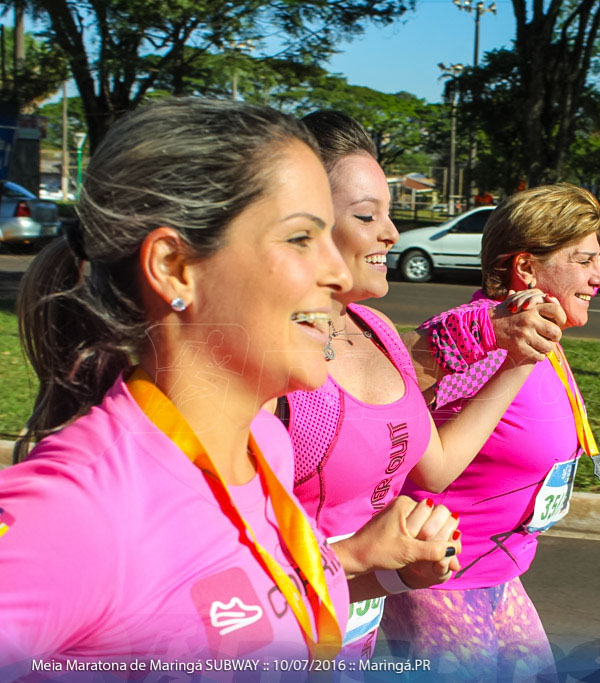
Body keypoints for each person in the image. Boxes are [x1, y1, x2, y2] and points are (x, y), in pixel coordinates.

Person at [0, 98, 458, 673]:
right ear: (175, 266)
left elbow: (248, 614)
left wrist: (383, 569)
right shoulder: (76, 510)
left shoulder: (267, 446)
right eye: (299, 238)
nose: (339, 273)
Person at [281, 111, 565, 660]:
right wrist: (361, 556)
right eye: (367, 215)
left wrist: (516, 361)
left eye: (389, 213)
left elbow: (434, 467)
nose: (391, 233)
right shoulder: (279, 363)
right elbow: (221, 564)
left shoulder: (379, 332)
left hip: (350, 640)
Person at [382, 183, 600, 680]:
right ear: (526, 268)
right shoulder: (481, 336)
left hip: (498, 573)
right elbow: (392, 409)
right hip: (441, 582)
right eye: (583, 261)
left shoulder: (536, 331)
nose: (598, 277)